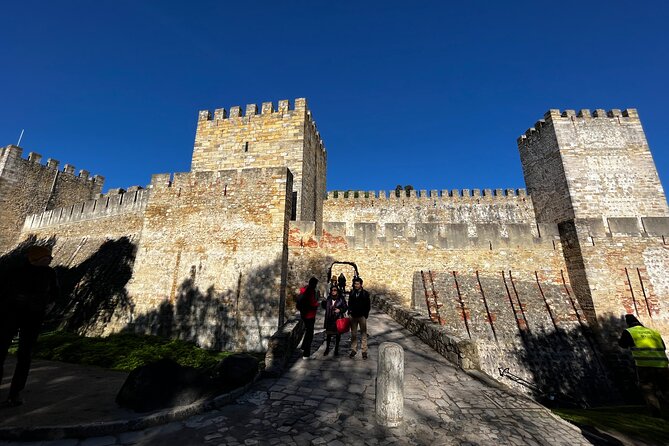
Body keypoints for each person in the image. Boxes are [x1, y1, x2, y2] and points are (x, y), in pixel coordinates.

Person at [0, 245, 59, 406]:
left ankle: (16, 393)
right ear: (34, 259)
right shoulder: (15, 273)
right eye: (44, 259)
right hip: (10, 316)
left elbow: (54, 292)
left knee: (25, 356)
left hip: (33, 317)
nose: (48, 261)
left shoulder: (49, 273)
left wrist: (50, 304)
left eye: (49, 259)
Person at [618, 314, 669, 419]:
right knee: (666, 389)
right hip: (662, 365)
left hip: (645, 366)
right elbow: (663, 347)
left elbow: (623, 344)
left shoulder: (629, 332)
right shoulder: (654, 333)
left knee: (648, 389)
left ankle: (656, 415)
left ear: (628, 323)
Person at [297, 277, 320, 359]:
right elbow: (313, 303)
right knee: (310, 334)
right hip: (309, 315)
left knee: (307, 331)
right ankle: (306, 354)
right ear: (314, 284)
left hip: (303, 314)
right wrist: (318, 304)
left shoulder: (304, 289)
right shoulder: (310, 291)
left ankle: (303, 347)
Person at [321, 286, 348, 356]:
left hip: (337, 319)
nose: (333, 291)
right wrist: (323, 302)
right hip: (330, 318)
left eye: (335, 290)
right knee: (329, 335)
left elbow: (345, 307)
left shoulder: (341, 298)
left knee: (337, 335)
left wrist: (340, 310)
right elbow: (324, 306)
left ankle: (336, 349)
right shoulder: (329, 298)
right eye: (332, 290)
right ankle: (327, 348)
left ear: (337, 291)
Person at [348, 277, 371, 360]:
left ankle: (364, 350)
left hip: (362, 316)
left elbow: (368, 305)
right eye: (355, 284)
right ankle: (353, 349)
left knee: (363, 334)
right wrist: (349, 312)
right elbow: (349, 303)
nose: (356, 285)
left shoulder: (365, 294)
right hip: (353, 316)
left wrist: (365, 315)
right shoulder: (352, 293)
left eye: (357, 284)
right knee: (353, 334)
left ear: (361, 284)